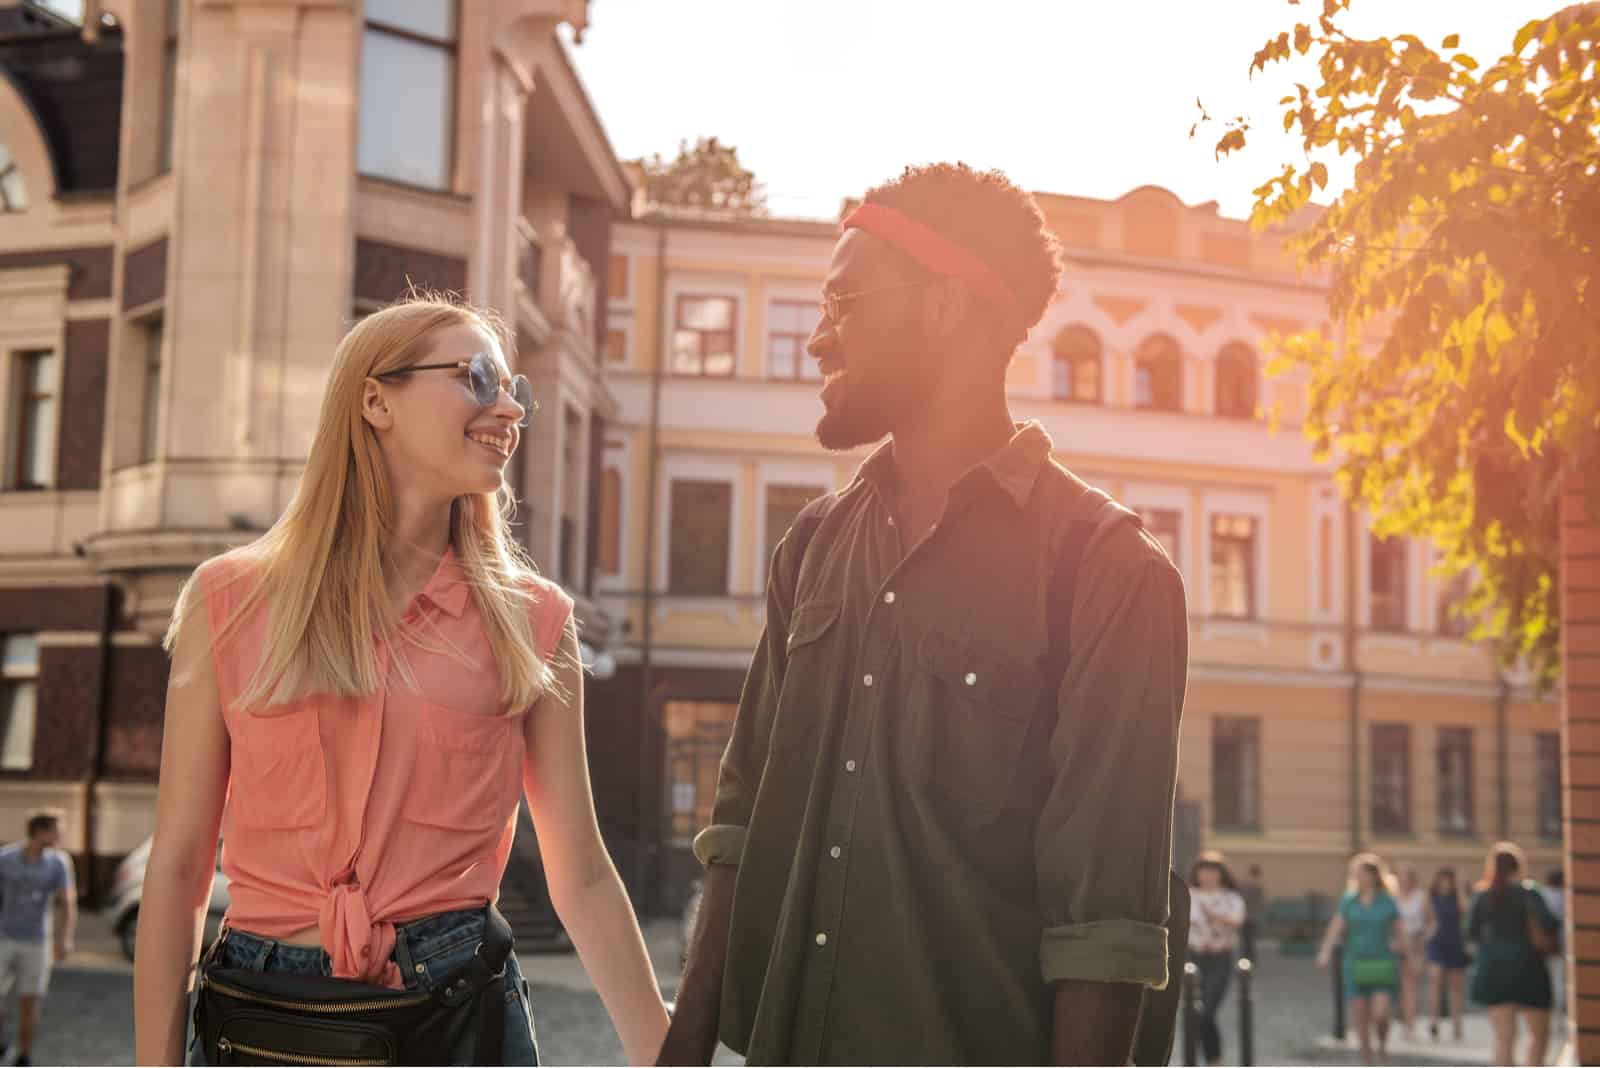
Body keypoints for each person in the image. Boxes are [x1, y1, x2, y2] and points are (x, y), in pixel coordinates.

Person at [661, 163, 1188, 1065]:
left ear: (946, 306)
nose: (819, 340)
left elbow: (1104, 925)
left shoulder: (1108, 572)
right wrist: (684, 1050)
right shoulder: (814, 546)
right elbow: (740, 825)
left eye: (844, 302)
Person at [133, 295, 670, 1066]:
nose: (510, 408)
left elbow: (581, 872)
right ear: (375, 400)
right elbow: (181, 863)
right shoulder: (229, 599)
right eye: (480, 378)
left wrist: (667, 1056)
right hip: (265, 1016)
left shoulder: (535, 622)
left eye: (515, 387)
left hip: (458, 1009)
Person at [1468, 842, 1559, 1067]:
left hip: (1494, 968)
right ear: (1518, 866)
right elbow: (1550, 924)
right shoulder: (1529, 892)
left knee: (1503, 1037)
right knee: (1539, 1035)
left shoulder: (1482, 895)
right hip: (1529, 967)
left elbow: (1471, 932)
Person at [0, 811, 77, 1068]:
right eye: (57, 830)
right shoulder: (6, 859)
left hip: (37, 942)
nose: (61, 836)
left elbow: (68, 902)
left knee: (30, 1001)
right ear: (40, 831)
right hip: (4, 938)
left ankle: (24, 1055)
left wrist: (64, 939)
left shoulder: (59, 863)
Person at [1317, 853, 1403, 1065]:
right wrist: (1325, 952)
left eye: (1364, 874)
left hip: (1382, 961)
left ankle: (1381, 1045)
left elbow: (1400, 931)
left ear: (1375, 876)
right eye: (1357, 875)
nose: (1360, 879)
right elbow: (1336, 927)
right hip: (1355, 962)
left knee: (1380, 1013)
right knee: (1360, 1014)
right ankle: (1367, 1058)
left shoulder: (1387, 901)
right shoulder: (1349, 900)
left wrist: (1408, 952)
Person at [1187, 853, 1246, 1067]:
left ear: (1221, 875)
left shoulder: (1231, 898)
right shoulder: (1189, 895)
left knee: (1206, 1011)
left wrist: (1214, 916)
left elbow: (1237, 920)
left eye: (1213, 872)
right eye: (1204, 871)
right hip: (1193, 961)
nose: (1209, 876)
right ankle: (1211, 1061)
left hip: (1220, 960)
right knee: (1194, 1015)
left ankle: (1213, 1060)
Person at [1423, 866, 1471, 1042]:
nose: (1445, 884)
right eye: (1442, 880)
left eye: (1448, 881)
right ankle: (1433, 1021)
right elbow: (1428, 918)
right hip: (1437, 941)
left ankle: (1457, 1024)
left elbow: (1465, 909)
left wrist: (1459, 889)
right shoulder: (1431, 897)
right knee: (1435, 981)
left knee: (1456, 987)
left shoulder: (1457, 897)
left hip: (1455, 941)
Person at [1395, 864, 1428, 1039]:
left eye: (1407, 876)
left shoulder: (1421, 897)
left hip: (1415, 945)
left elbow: (1431, 922)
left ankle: (1410, 1024)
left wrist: (1423, 941)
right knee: (1400, 987)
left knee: (1410, 986)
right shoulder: (1393, 897)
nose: (1404, 880)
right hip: (1396, 945)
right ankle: (1404, 1019)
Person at [1541, 868, 1567, 1019]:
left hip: (1546, 944)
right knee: (1560, 980)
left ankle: (1550, 1013)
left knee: (1551, 979)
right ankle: (1559, 1014)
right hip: (1562, 943)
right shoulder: (1565, 896)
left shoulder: (1543, 895)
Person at [1237, 864, 1265, 960]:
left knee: (1247, 939)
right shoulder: (1257, 886)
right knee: (1248, 939)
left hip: (1247, 916)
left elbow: (1242, 900)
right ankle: (1250, 957)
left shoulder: (1250, 886)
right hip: (1252, 916)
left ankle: (1247, 958)